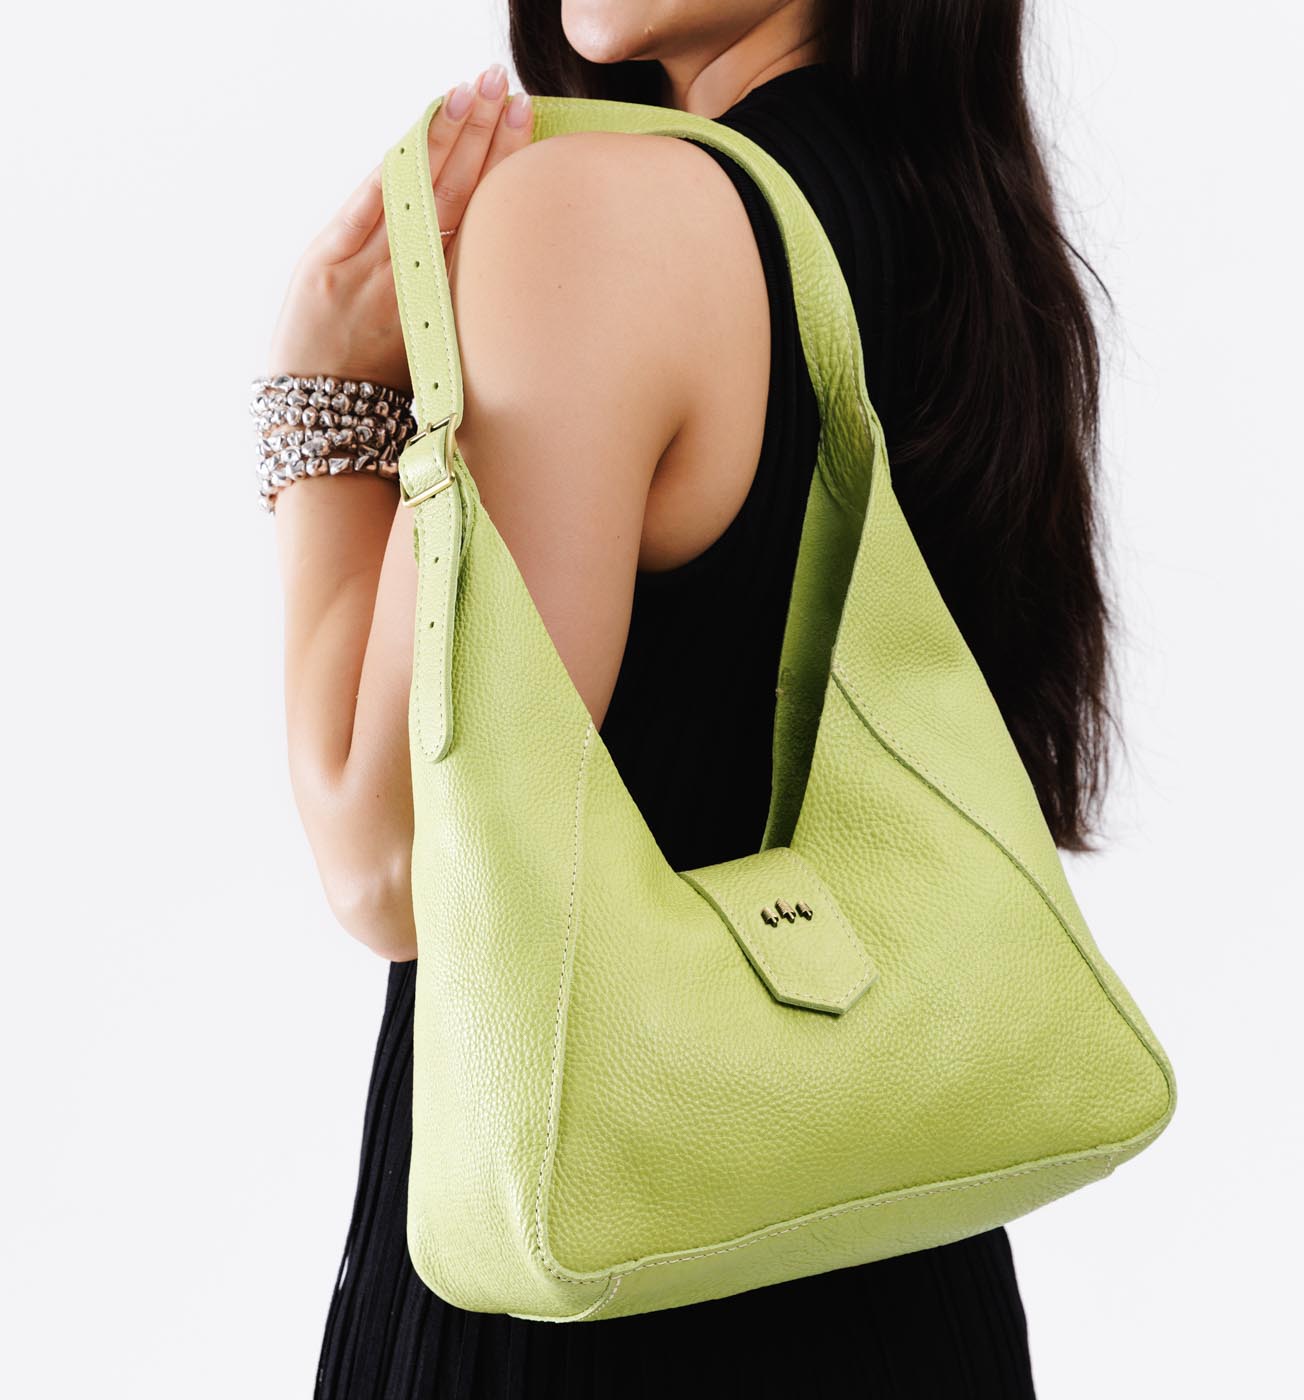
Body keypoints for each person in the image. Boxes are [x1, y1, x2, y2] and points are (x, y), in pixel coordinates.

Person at [258, 2, 1117, 1394]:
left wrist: (322, 409)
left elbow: (396, 865)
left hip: (591, 1316)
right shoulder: (967, 231)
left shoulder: (591, 216)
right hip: (910, 1274)